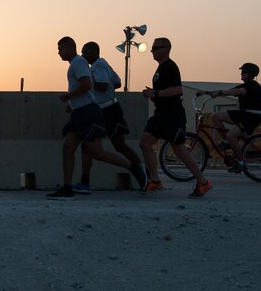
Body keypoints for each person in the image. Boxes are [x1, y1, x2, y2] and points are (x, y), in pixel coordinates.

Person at [46, 37, 147, 200]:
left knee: (98, 152)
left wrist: (69, 96)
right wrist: (72, 104)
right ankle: (67, 188)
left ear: (71, 48)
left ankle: (133, 167)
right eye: (58, 49)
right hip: (79, 113)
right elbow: (111, 84)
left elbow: (87, 85)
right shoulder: (77, 64)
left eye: (61, 49)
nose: (59, 52)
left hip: (88, 113)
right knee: (68, 148)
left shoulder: (79, 63)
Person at [139, 37, 212, 197]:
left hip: (173, 114)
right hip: (160, 114)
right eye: (152, 48)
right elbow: (164, 93)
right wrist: (153, 94)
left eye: (156, 48)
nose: (152, 51)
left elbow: (178, 90)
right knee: (145, 143)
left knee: (179, 149)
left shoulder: (170, 67)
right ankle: (155, 181)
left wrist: (155, 93)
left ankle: (203, 182)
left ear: (166, 49)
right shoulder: (160, 68)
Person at [74, 42, 144, 193]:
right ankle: (84, 182)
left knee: (118, 145)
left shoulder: (97, 66)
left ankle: (141, 170)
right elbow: (117, 82)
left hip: (108, 111)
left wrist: (88, 85)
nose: (83, 56)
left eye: (85, 52)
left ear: (93, 52)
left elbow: (103, 85)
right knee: (88, 146)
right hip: (106, 109)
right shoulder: (105, 63)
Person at [195, 62, 261, 173]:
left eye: (244, 72)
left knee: (231, 134)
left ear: (251, 74)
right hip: (243, 114)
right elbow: (227, 91)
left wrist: (220, 93)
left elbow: (235, 91)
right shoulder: (244, 85)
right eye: (241, 72)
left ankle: (241, 163)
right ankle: (227, 142)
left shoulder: (252, 86)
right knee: (215, 116)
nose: (241, 74)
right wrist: (205, 92)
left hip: (252, 116)